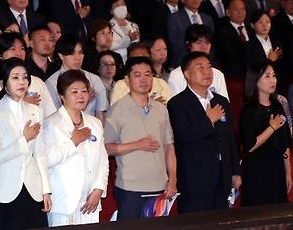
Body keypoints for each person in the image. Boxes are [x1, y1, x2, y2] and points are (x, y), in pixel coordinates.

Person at [104, 57, 177, 220]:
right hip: (130, 188)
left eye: (148, 75)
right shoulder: (117, 110)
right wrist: (137, 145)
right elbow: (107, 147)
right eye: (137, 75)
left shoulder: (161, 109)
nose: (144, 79)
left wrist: (172, 179)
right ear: (127, 80)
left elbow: (169, 147)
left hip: (160, 186)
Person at [167, 52, 241, 213]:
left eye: (209, 67)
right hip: (194, 180)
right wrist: (209, 120)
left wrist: (235, 171)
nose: (207, 72)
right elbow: (184, 136)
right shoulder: (177, 103)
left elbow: (230, 139)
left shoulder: (221, 101)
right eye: (200, 68)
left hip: (223, 177)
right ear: (186, 74)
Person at [0, 58, 51, 229]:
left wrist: (46, 189)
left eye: (25, 77)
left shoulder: (35, 111)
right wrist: (24, 140)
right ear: (3, 83)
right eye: (15, 77)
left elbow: (40, 153)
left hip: (33, 188)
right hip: (5, 190)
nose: (22, 82)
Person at [43, 69, 108, 226]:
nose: (81, 95)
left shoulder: (95, 123)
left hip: (90, 201)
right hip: (63, 203)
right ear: (62, 96)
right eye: (74, 92)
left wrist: (98, 189)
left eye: (84, 91)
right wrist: (73, 142)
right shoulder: (51, 124)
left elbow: (102, 159)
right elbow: (47, 160)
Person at [240, 61, 292, 206]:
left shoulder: (278, 106)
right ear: (255, 80)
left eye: (274, 76)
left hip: (277, 168)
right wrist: (272, 128)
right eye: (267, 76)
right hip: (257, 170)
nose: (272, 80)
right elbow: (250, 145)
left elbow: (285, 144)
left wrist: (288, 172)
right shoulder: (249, 110)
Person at [46, 35, 108, 121]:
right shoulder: (51, 83)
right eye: (72, 53)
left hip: (92, 129)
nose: (77, 58)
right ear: (61, 56)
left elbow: (100, 114)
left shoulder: (94, 79)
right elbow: (53, 116)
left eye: (80, 52)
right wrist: (84, 102)